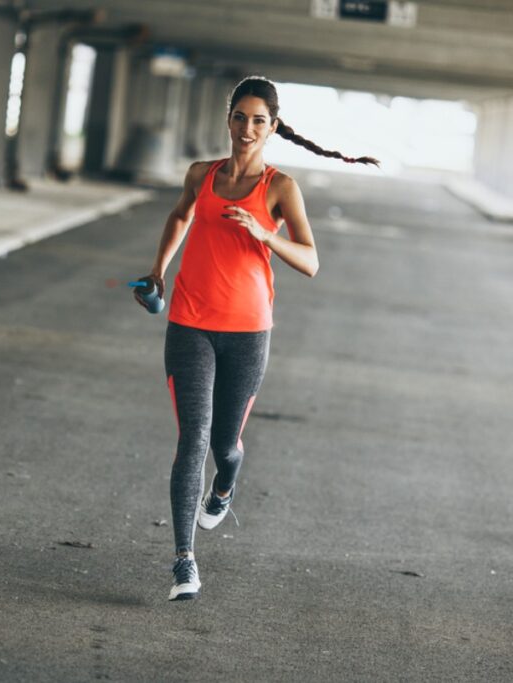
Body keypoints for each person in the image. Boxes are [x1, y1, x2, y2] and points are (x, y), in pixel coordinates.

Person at [135, 76, 379, 601]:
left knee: (224, 445)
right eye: (240, 117)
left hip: (247, 332)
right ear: (228, 120)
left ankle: (226, 483)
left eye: (259, 121)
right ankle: (184, 562)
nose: (247, 129)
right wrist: (158, 270)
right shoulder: (201, 174)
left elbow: (311, 261)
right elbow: (181, 215)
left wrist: (267, 234)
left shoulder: (280, 188)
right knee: (192, 441)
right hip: (189, 323)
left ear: (273, 128)